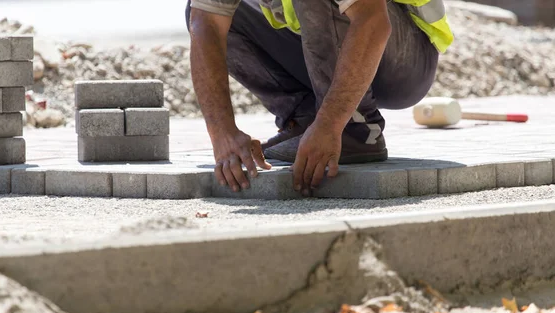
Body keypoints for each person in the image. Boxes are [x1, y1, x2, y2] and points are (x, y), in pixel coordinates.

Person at [185, 0, 453, 196]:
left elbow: (372, 21)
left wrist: (330, 125)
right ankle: (305, 120)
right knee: (206, 13)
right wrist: (222, 133)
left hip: (406, 59)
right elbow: (206, 22)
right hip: (340, 43)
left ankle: (354, 129)